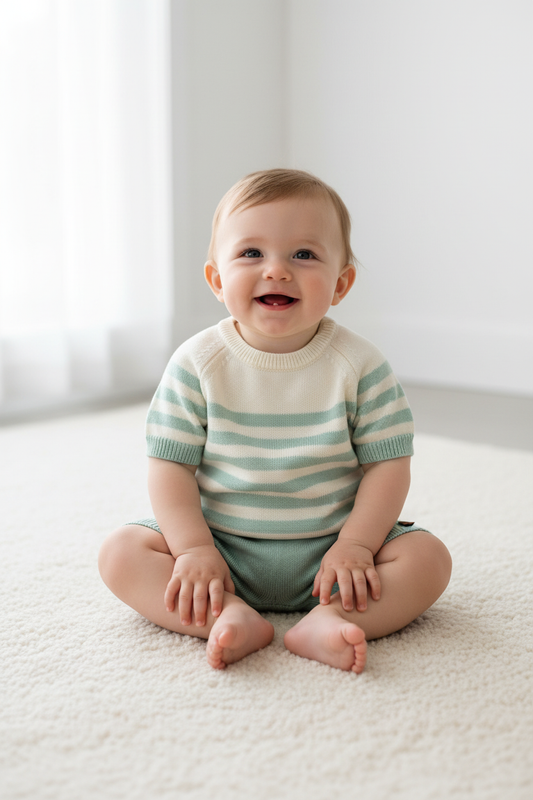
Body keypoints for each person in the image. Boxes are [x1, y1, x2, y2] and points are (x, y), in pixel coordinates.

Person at [98, 168, 452, 674]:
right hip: (222, 551)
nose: (277, 271)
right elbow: (169, 467)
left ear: (341, 283)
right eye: (251, 253)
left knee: (429, 560)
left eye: (304, 255)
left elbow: (389, 465)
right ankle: (229, 614)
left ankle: (327, 620)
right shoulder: (197, 363)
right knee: (121, 553)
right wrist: (194, 549)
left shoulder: (361, 365)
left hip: (335, 555)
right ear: (218, 281)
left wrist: (356, 544)